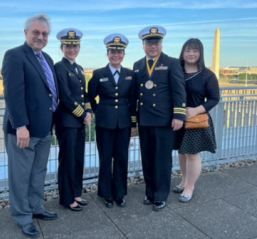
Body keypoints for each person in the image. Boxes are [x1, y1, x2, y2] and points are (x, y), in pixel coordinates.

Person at [2, 13, 58, 238]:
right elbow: (13, 95)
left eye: (44, 34)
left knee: (38, 173)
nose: (40, 37)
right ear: (26, 33)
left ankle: (36, 207)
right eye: (36, 32)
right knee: (21, 176)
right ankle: (22, 216)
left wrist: (51, 122)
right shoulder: (15, 56)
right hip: (24, 131)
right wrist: (20, 126)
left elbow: (49, 93)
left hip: (44, 129)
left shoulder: (47, 59)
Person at [131, 25, 186, 211]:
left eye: (156, 42)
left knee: (162, 160)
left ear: (161, 44)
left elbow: (179, 91)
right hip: (145, 120)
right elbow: (135, 95)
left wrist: (179, 115)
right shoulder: (138, 65)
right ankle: (150, 192)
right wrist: (133, 120)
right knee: (147, 158)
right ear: (143, 45)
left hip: (164, 121)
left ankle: (161, 195)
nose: (152, 46)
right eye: (149, 43)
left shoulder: (172, 63)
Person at [88, 33, 136, 208]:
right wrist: (98, 111)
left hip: (124, 124)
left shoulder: (130, 74)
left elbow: (133, 101)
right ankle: (106, 193)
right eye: (112, 52)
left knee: (122, 158)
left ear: (124, 54)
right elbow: (90, 97)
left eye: (119, 52)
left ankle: (120, 193)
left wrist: (133, 124)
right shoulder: (98, 73)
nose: (116, 55)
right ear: (107, 53)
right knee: (106, 158)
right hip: (104, 124)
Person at [173, 38, 220, 202]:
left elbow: (214, 98)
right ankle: (184, 180)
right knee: (181, 152)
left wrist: (195, 110)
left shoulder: (207, 75)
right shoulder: (176, 70)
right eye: (188, 50)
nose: (191, 53)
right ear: (183, 52)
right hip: (178, 119)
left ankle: (190, 186)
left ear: (200, 53)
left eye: (195, 50)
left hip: (196, 121)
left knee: (192, 154)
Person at [54, 28, 92, 211]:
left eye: (75, 46)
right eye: (68, 46)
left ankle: (76, 193)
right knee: (67, 160)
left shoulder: (79, 68)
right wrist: (82, 114)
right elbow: (66, 97)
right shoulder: (59, 67)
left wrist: (89, 110)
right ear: (62, 48)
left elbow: (83, 95)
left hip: (78, 122)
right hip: (67, 122)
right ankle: (67, 198)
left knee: (78, 159)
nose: (72, 49)